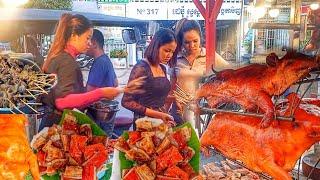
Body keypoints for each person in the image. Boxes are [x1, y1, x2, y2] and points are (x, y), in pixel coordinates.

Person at [40, 13, 122, 131]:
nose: (90, 43)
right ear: (74, 36)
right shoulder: (66, 61)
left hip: (51, 124)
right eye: (87, 38)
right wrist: (100, 93)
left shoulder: (59, 57)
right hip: (57, 127)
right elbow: (62, 102)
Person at [169, 18, 230, 129]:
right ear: (181, 41)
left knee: (198, 143)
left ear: (200, 38)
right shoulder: (176, 57)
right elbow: (171, 86)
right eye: (187, 42)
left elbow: (229, 73)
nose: (191, 45)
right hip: (178, 112)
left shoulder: (209, 55)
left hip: (200, 112)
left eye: (195, 41)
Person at [121, 28, 177, 129]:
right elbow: (126, 101)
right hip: (144, 125)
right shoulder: (141, 68)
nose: (170, 55)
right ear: (156, 46)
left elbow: (155, 97)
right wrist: (157, 114)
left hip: (161, 123)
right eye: (166, 50)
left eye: (172, 52)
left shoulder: (163, 68)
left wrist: (174, 99)